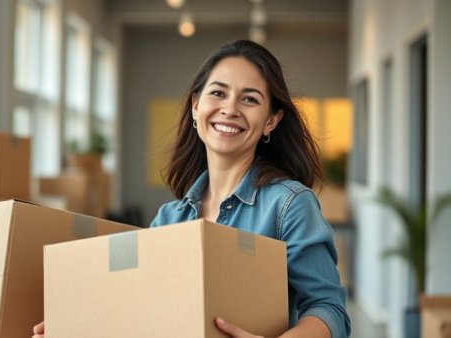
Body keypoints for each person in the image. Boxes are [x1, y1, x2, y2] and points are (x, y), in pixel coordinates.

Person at [33, 39, 351, 338]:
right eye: (218, 93)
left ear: (271, 121)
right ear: (196, 106)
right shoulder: (169, 219)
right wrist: (77, 326)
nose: (230, 108)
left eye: (250, 99)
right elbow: (141, 310)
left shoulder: (289, 205)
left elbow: (329, 310)